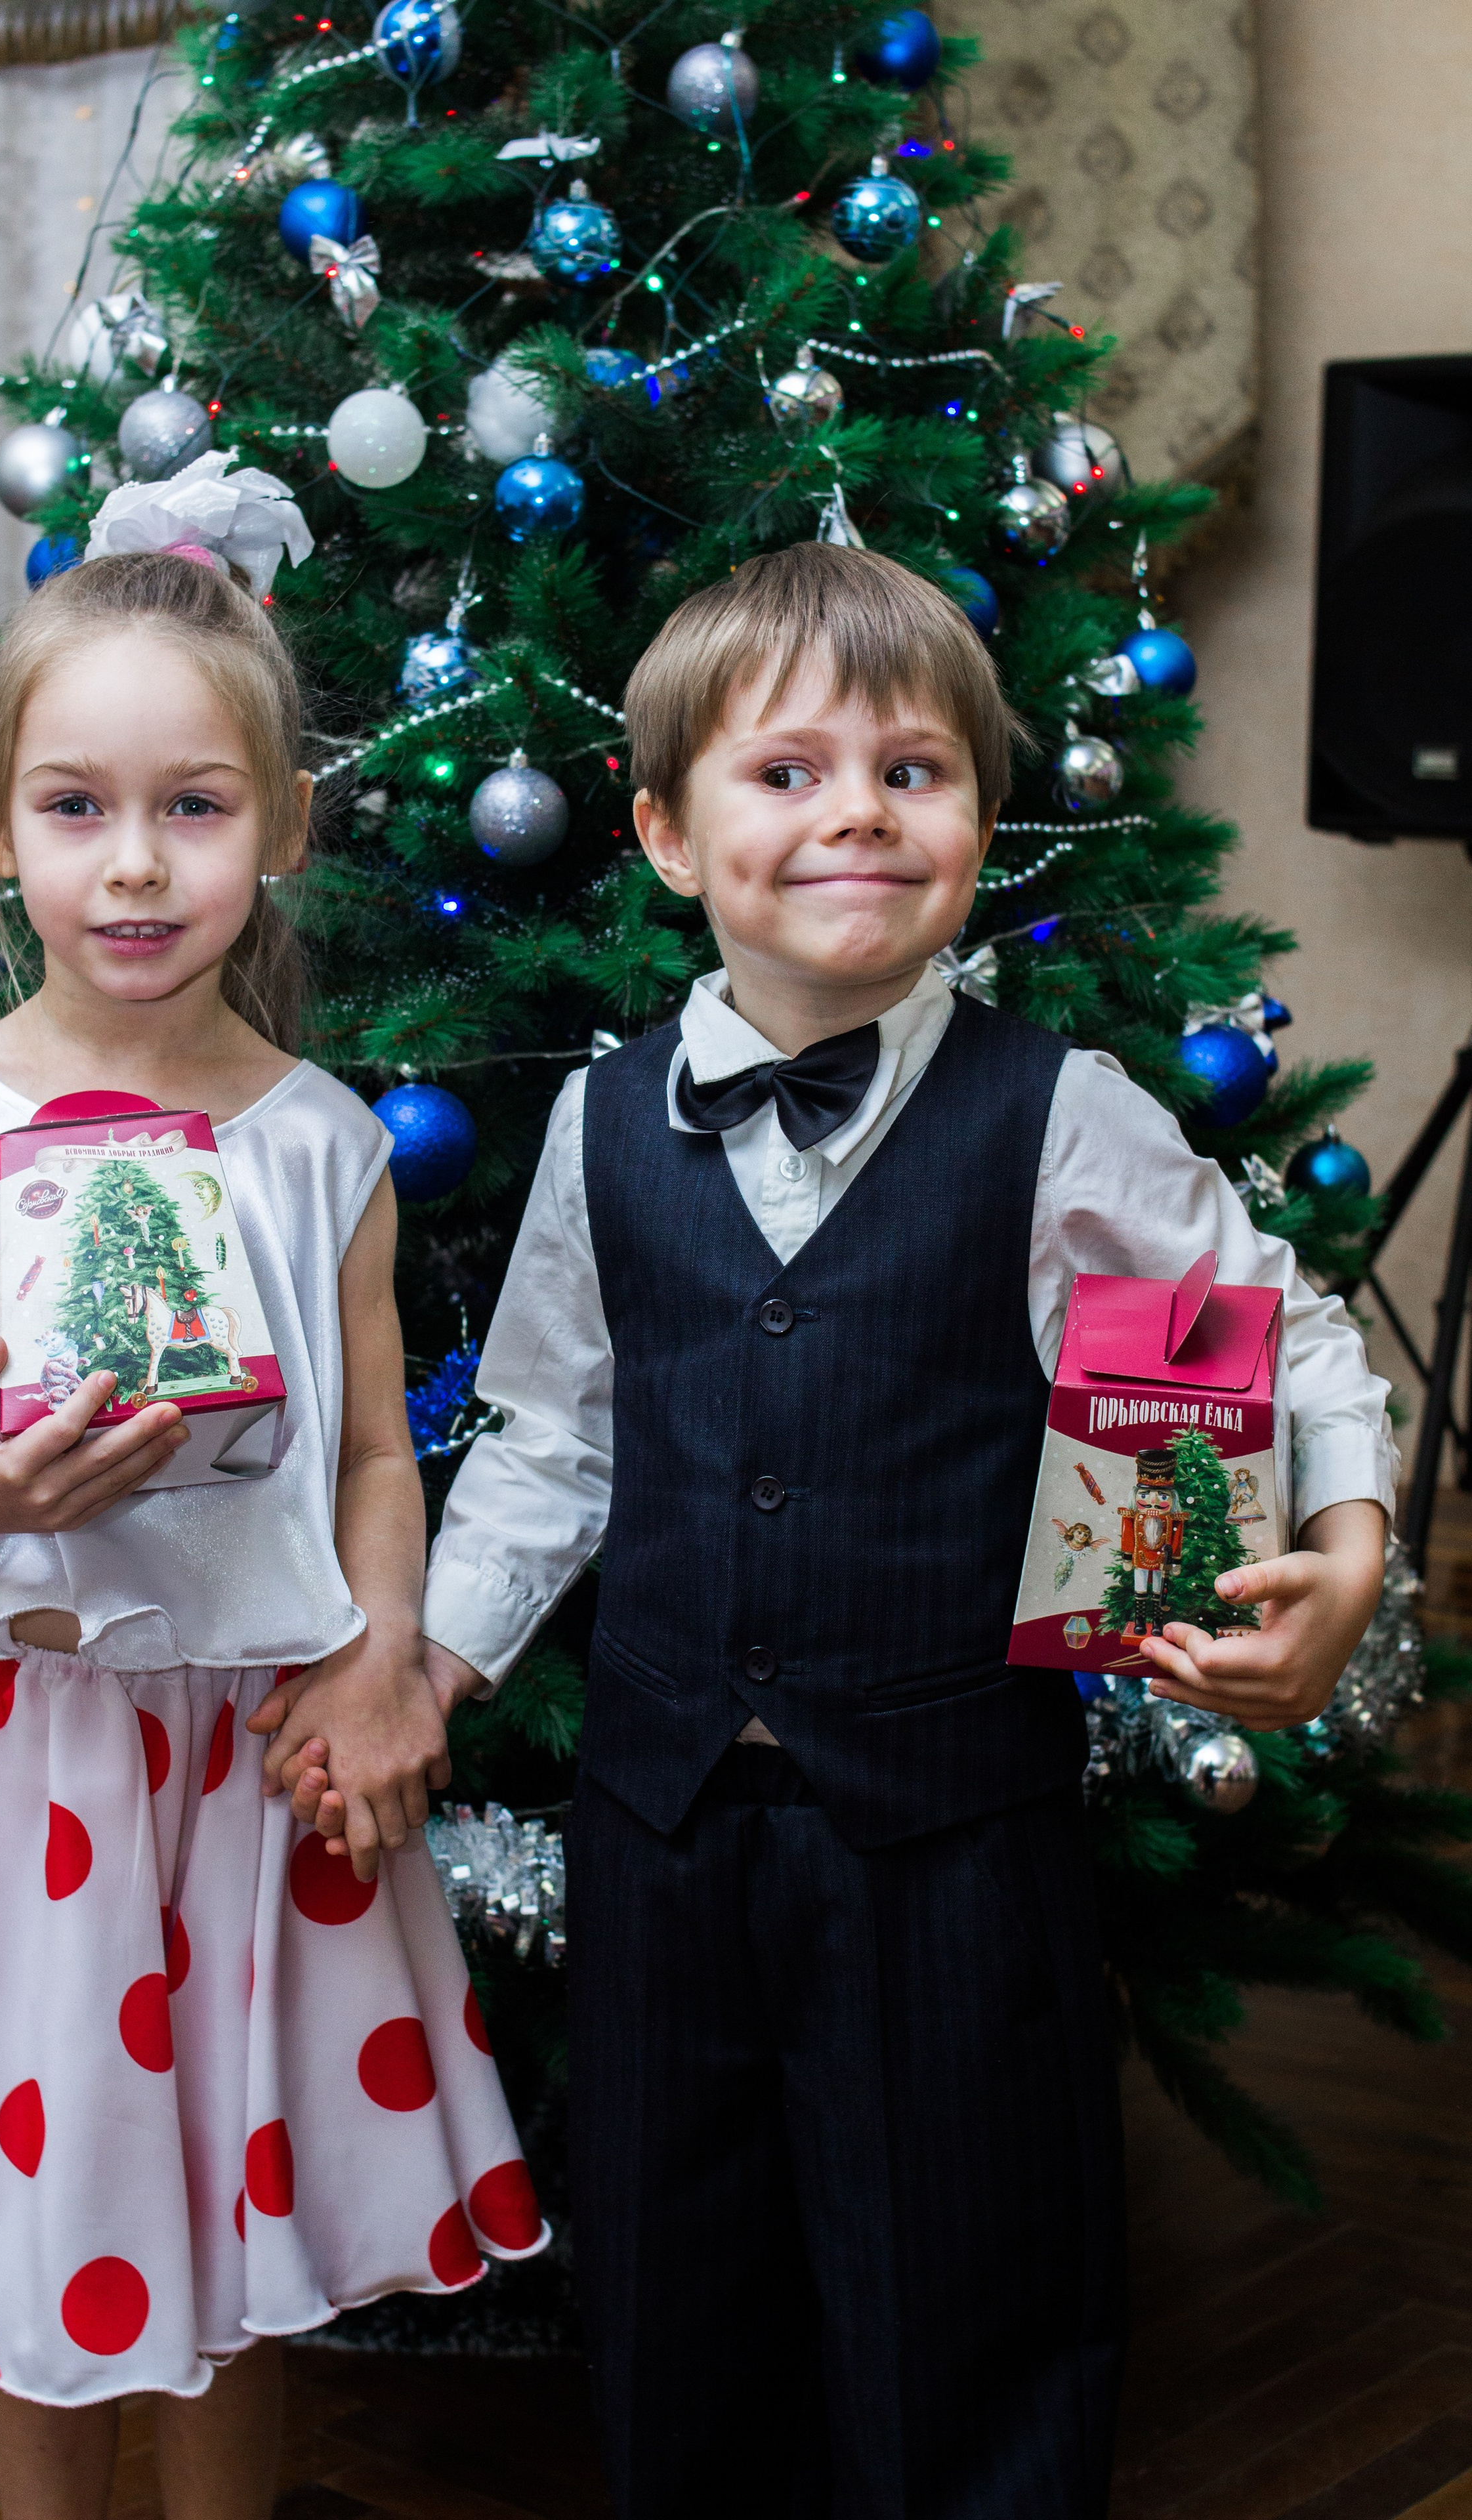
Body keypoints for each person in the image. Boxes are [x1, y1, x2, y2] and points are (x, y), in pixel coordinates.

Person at [407, 545, 1392, 2517]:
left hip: (952, 1839)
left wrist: (1348, 1550)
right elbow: (552, 1438)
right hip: (663, 1832)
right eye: (787, 772)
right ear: (665, 835)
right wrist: (429, 1668)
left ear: (978, 822)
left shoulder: (1061, 1113)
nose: (856, 810)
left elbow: (1269, 1330)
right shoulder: (604, 1122)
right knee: (680, 2297)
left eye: (913, 770)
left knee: (975, 2290)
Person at [0, 517, 543, 2520]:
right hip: (6, 1759)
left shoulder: (320, 1142)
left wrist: (380, 1658)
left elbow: (372, 1457)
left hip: (249, 1765)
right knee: (47, 2224)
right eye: (76, 807)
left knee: (232, 2226)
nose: (134, 864)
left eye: (193, 808)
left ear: (281, 827)